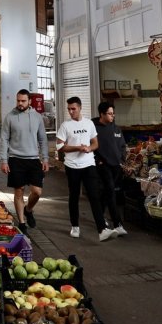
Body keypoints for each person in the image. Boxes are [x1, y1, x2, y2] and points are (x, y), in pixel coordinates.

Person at [56, 96, 116, 242]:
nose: (71, 112)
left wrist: (89, 148)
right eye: (69, 109)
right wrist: (77, 147)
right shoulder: (65, 126)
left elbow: (95, 143)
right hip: (72, 166)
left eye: (73, 109)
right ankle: (75, 226)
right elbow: (60, 147)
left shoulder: (89, 123)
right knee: (74, 196)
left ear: (80, 107)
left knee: (94, 196)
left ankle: (102, 230)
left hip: (89, 165)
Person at [0, 89, 50, 234]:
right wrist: (4, 160)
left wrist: (45, 158)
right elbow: (4, 139)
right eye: (18, 101)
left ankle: (28, 210)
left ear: (29, 101)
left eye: (23, 101)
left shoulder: (37, 117)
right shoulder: (10, 117)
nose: (20, 103)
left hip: (33, 159)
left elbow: (43, 139)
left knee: (37, 191)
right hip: (15, 159)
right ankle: (22, 223)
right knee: (19, 191)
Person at [93, 102, 128, 237]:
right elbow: (90, 146)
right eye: (109, 113)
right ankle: (118, 224)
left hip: (116, 166)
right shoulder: (94, 128)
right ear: (102, 114)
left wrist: (122, 159)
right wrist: (98, 161)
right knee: (111, 192)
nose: (112, 116)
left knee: (106, 193)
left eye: (113, 113)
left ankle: (100, 218)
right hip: (103, 166)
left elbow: (122, 146)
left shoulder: (117, 129)